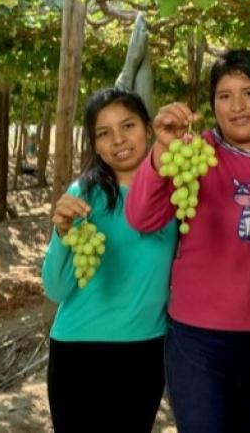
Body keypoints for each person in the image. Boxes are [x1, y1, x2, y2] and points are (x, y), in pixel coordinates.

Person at [125, 49, 250, 433]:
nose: (237, 106)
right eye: (224, 96)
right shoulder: (196, 154)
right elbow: (142, 217)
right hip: (197, 339)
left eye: (248, 92)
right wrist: (162, 150)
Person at [42, 88, 175, 433]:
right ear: (95, 145)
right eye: (104, 133)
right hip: (78, 352)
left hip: (145, 353)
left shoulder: (179, 192)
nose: (118, 139)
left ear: (148, 129)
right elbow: (55, 289)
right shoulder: (82, 196)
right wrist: (60, 234)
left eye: (127, 125)